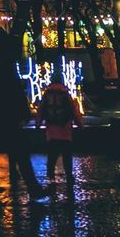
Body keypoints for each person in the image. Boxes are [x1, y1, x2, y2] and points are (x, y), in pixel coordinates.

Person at [0, 32, 47, 201]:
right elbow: (12, 87)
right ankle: (33, 188)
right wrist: (23, 110)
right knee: (20, 152)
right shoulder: (5, 61)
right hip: (6, 115)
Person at [37, 68, 83, 197]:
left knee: (52, 155)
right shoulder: (66, 94)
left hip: (51, 130)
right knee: (67, 155)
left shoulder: (47, 95)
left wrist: (38, 124)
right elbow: (74, 111)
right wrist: (80, 124)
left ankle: (50, 177)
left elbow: (41, 111)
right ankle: (69, 176)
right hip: (65, 130)